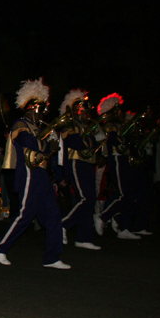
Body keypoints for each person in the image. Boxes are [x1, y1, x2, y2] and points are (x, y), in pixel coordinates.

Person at [0, 78, 70, 269]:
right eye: (40, 109)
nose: (43, 113)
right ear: (32, 108)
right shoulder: (20, 124)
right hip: (29, 173)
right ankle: (0, 248)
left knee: (53, 215)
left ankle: (52, 257)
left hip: (41, 174)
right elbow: (30, 143)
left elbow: (45, 151)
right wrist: (47, 144)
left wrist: (51, 145)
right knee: (25, 215)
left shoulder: (37, 127)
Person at [93, 93, 143, 239]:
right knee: (124, 195)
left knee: (131, 195)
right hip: (116, 159)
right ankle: (103, 216)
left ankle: (123, 227)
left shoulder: (120, 125)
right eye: (117, 110)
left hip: (124, 159)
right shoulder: (110, 125)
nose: (120, 112)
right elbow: (114, 142)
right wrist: (125, 137)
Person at [59, 89, 103, 250]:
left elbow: (97, 142)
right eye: (85, 111)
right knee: (85, 198)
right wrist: (92, 140)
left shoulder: (88, 125)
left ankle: (83, 238)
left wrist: (91, 140)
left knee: (89, 199)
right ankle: (63, 224)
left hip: (87, 163)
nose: (88, 114)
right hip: (75, 163)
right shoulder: (70, 123)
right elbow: (74, 143)